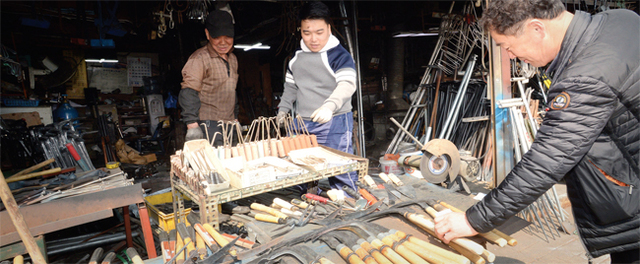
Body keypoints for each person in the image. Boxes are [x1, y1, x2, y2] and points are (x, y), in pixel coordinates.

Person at [434, 0, 639, 262]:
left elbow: (545, 162)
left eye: (507, 46)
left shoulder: (585, 78)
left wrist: (473, 220)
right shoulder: (622, 20)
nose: (509, 56)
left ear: (536, 29)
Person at [277, 2, 358, 192]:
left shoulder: (339, 55)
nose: (313, 39)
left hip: (335, 122)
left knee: (341, 171)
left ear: (329, 28)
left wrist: (329, 107)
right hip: (301, 124)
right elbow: (291, 86)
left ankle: (347, 206)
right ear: (300, 30)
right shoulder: (296, 58)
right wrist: (283, 110)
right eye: (307, 33)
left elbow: (347, 84)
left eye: (319, 32)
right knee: (299, 171)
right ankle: (307, 205)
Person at [180, 10, 238, 146]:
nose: (223, 42)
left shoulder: (233, 59)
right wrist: (192, 125)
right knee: (213, 166)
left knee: (232, 164)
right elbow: (188, 92)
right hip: (208, 127)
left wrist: (235, 118)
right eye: (217, 37)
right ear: (207, 34)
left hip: (229, 125)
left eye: (228, 37)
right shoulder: (199, 59)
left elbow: (232, 91)